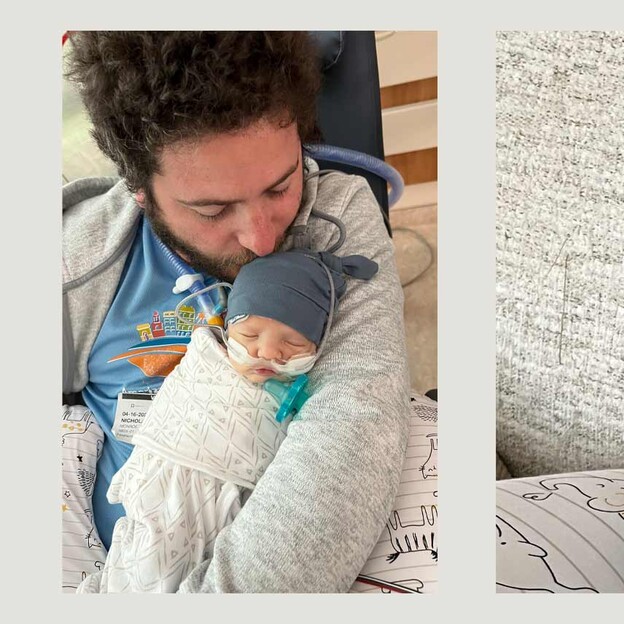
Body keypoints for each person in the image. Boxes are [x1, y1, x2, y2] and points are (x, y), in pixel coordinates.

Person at [61, 31, 412, 592]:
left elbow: (355, 421)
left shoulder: (338, 217)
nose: (264, 239)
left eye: (280, 187)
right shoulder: (75, 266)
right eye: (214, 208)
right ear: (138, 188)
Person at [77, 250, 379, 593]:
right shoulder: (205, 358)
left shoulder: (309, 395)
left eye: (293, 343)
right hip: (167, 483)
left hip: (229, 510)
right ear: (227, 324)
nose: (267, 352)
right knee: (143, 562)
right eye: (250, 335)